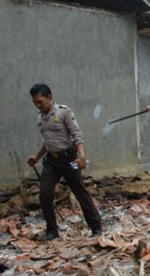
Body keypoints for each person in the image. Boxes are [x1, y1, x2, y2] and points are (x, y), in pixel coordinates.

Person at [27, 83, 102, 241]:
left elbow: (77, 135)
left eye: (40, 101)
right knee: (44, 194)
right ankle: (52, 231)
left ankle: (96, 226)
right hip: (51, 162)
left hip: (70, 159)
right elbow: (47, 142)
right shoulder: (40, 117)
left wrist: (81, 155)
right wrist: (37, 157)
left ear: (49, 98)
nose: (37, 105)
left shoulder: (64, 112)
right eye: (35, 102)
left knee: (80, 192)